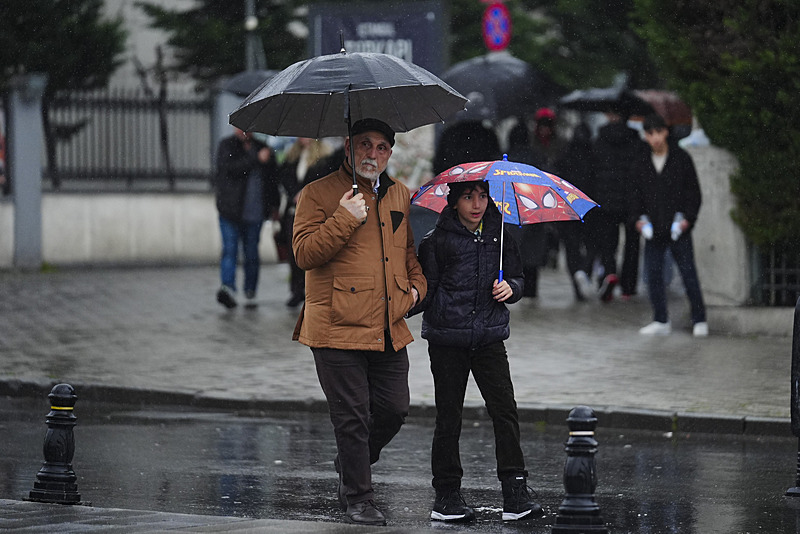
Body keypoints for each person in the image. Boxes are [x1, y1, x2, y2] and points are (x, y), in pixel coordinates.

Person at [291, 118, 427, 526]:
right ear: (348, 146)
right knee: (351, 416)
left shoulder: (400, 194)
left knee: (394, 409)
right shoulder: (318, 194)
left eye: (382, 147)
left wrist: (417, 291)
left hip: (388, 325)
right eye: (365, 144)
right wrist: (344, 217)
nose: (373, 154)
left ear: (390, 152)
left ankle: (351, 464)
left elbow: (408, 256)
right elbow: (303, 254)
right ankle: (359, 498)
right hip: (335, 325)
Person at [409, 180, 544, 523]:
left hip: (488, 339)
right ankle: (447, 495)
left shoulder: (500, 237)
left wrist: (510, 288)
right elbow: (428, 288)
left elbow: (519, 278)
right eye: (468, 197)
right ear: (454, 202)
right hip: (447, 341)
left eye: (482, 196)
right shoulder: (436, 241)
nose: (476, 203)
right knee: (449, 417)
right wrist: (402, 304)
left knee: (504, 411)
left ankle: (515, 492)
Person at [630, 113, 708, 337]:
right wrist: (639, 221)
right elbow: (634, 197)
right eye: (650, 133)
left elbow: (693, 194)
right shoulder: (641, 163)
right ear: (645, 135)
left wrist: (686, 221)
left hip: (677, 229)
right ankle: (660, 319)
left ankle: (700, 318)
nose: (654, 138)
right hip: (653, 229)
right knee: (653, 276)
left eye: (658, 132)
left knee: (688, 273)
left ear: (665, 132)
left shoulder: (681, 159)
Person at [585, 108, 648, 302]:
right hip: (631, 201)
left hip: (605, 201)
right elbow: (643, 172)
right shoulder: (637, 142)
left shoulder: (599, 141)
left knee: (607, 244)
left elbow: (591, 171)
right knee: (632, 245)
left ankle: (609, 273)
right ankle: (628, 287)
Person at [213, 127, 279, 309]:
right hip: (230, 211)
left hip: (255, 212)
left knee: (251, 253)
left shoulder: (263, 147)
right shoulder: (227, 146)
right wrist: (256, 159)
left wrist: (275, 206)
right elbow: (230, 169)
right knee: (230, 249)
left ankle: (250, 287)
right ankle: (228, 287)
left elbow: (272, 181)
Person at [276, 138, 334, 308]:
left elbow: (324, 179)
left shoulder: (324, 157)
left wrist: (306, 192)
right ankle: (296, 290)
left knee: (312, 252)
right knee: (294, 251)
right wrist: (294, 192)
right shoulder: (292, 156)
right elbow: (284, 177)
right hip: (293, 210)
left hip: (314, 211)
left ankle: (312, 290)